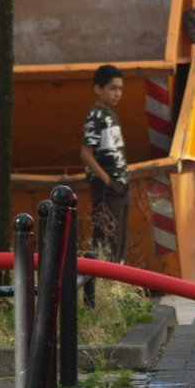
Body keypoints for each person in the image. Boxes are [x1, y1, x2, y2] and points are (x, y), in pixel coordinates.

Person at [80, 64, 130, 262]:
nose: (117, 93)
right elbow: (85, 153)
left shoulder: (111, 116)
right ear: (98, 89)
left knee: (119, 239)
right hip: (107, 187)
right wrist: (107, 181)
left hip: (120, 184)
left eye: (120, 88)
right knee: (106, 238)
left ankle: (117, 282)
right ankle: (103, 283)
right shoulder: (95, 117)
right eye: (112, 88)